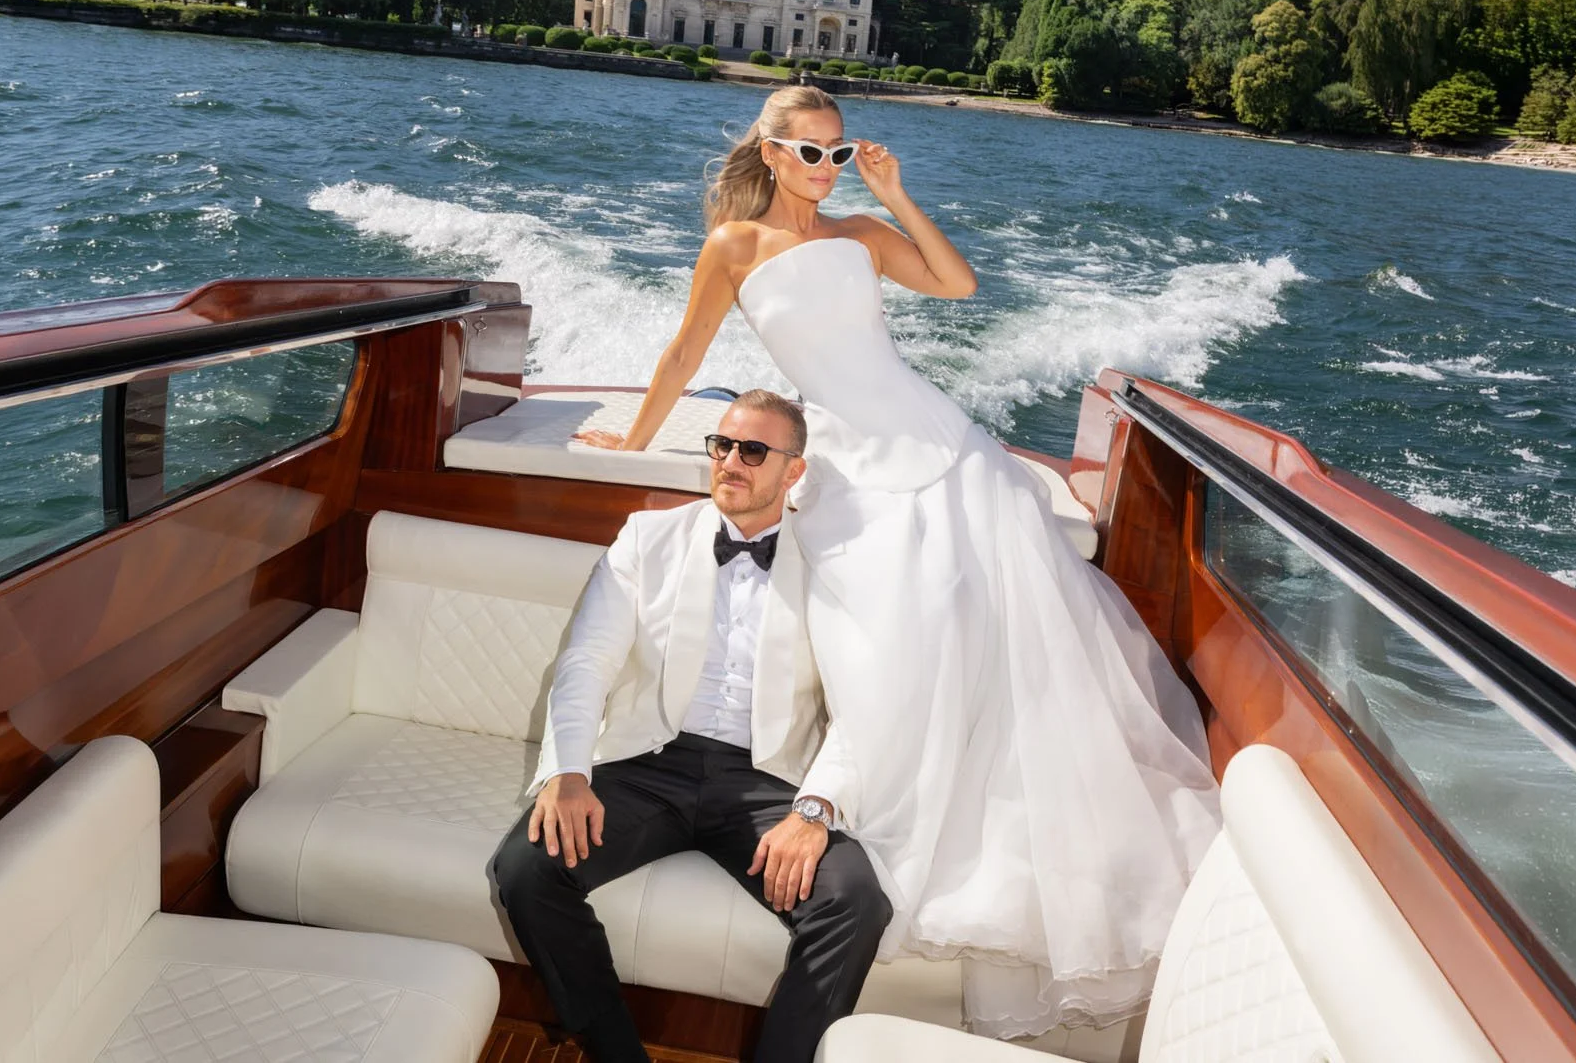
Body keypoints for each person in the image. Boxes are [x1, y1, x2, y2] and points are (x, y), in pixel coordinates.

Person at [576, 85, 1223, 1038]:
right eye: (810, 152)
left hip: (936, 442)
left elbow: (960, 286)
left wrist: (897, 194)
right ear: (769, 147)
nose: (826, 170)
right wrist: (631, 442)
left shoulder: (863, 232)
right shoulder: (734, 247)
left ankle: (962, 841)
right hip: (841, 460)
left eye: (838, 154)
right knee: (881, 645)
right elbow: (683, 353)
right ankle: (861, 820)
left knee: (976, 631)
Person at [493, 390, 890, 1063]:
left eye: (753, 450)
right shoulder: (648, 538)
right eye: (722, 445)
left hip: (767, 780)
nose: (730, 461)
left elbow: (865, 702)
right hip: (650, 763)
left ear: (793, 471)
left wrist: (816, 809)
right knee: (525, 867)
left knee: (856, 899)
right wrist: (566, 771)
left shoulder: (833, 563)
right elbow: (587, 659)